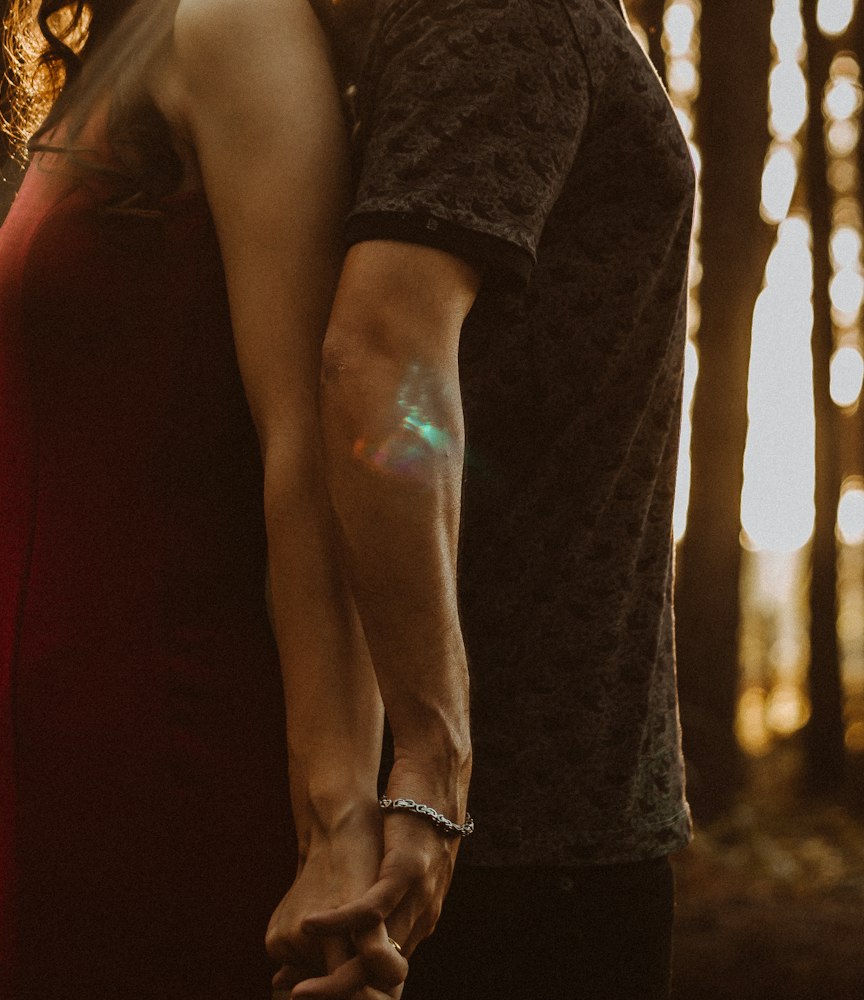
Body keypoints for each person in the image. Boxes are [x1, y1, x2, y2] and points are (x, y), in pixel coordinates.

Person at [269, 0, 695, 998]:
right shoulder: (515, 11)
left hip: (537, 823)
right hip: (506, 848)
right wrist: (432, 769)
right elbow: (379, 354)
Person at [0, 0, 396, 996]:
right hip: (63, 795)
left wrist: (339, 825)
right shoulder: (121, 48)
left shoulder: (237, 21)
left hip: (184, 768)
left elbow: (316, 436)